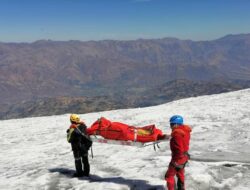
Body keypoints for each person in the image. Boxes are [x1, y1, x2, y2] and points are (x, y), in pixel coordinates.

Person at [165, 115, 192, 190]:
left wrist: (176, 162)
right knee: (180, 174)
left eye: (172, 124)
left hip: (178, 158)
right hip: (184, 157)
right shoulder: (185, 130)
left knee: (169, 176)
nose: (170, 126)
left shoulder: (177, 134)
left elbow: (179, 149)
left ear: (176, 124)